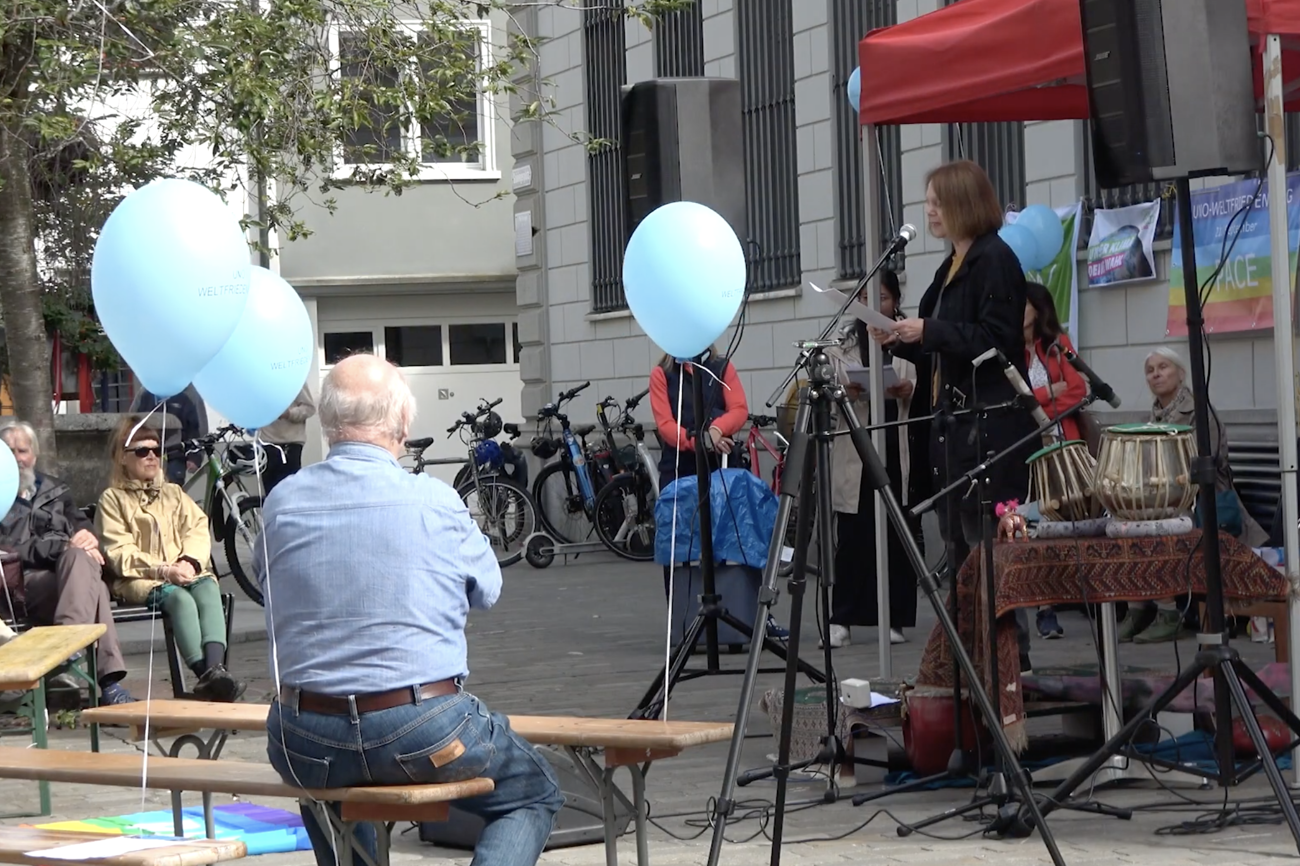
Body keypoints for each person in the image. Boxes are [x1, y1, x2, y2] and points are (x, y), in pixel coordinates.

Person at [255, 354, 563, 866]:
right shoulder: (436, 501)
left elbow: (269, 588)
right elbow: (488, 590)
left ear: (328, 423)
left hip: (304, 737)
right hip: (424, 726)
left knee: (327, 787)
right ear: (402, 424)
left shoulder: (281, 502)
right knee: (533, 792)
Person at [872, 160, 1038, 673]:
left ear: (964, 203)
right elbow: (940, 346)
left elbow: (995, 340)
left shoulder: (995, 260)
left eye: (937, 203)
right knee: (961, 550)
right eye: (928, 202)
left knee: (990, 553)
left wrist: (928, 332)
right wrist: (901, 334)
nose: (929, 212)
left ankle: (1011, 662)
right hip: (955, 430)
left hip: (991, 428)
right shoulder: (949, 268)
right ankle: (968, 657)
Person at [1118, 347, 1269, 643]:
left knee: (1156, 522)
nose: (1156, 374)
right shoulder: (1150, 417)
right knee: (1124, 519)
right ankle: (1137, 608)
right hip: (1164, 496)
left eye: (1163, 367)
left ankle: (1167, 612)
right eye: (1150, 370)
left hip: (1203, 498)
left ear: (1180, 373)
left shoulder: (1200, 411)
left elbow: (1206, 463)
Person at [96, 417, 244, 702]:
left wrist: (190, 562)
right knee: (180, 599)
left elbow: (198, 528)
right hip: (140, 580)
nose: (152, 456)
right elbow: (119, 552)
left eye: (156, 449)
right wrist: (164, 569)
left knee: (208, 587)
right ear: (122, 457)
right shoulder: (112, 499)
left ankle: (216, 671)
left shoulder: (173, 493)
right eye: (142, 450)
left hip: (183, 571)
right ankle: (208, 676)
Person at [648, 347, 788, 639]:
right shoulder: (662, 374)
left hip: (723, 463)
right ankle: (684, 620)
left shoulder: (722, 368)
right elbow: (665, 425)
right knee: (681, 545)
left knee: (737, 539)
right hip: (680, 467)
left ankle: (754, 614)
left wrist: (715, 431)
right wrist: (699, 441)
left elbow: (738, 409)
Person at [0, 421, 134, 705]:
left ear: (34, 456)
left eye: (22, 451)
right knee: (93, 585)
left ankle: (65, 651)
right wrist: (61, 547)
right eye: (8, 451)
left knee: (83, 562)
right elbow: (10, 550)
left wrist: (87, 539)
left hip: (68, 579)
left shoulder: (55, 490)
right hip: (22, 584)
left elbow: (85, 530)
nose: (16, 458)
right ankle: (104, 680)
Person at [824, 271, 921, 649]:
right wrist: (843, 390)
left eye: (881, 297)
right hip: (857, 451)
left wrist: (906, 389)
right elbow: (830, 391)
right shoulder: (844, 346)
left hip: (895, 448)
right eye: (864, 297)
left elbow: (923, 386)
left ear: (895, 301)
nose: (873, 305)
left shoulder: (908, 341)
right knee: (853, 536)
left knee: (896, 534)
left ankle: (894, 617)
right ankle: (842, 617)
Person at [1022, 282, 1089, 640]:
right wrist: (1049, 392)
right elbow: (1014, 402)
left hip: (1064, 449)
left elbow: (1078, 392)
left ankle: (1079, 596)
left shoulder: (1057, 345)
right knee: (1032, 530)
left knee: (1066, 524)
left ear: (1038, 309)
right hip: (1025, 451)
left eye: (1024, 304)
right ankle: (1044, 608)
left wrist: (1038, 406)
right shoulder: (1010, 351)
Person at [130, 384, 206, 484]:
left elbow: (194, 430)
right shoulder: (145, 394)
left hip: (175, 457)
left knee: (172, 493)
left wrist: (194, 457)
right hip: (147, 455)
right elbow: (131, 424)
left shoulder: (186, 395)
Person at [257, 384, 316, 493]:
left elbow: (310, 408)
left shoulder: (294, 378)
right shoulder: (262, 380)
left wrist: (289, 413)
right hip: (266, 443)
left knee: (291, 492)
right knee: (270, 493)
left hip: (290, 444)